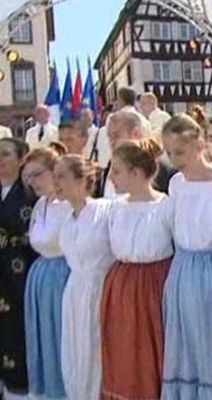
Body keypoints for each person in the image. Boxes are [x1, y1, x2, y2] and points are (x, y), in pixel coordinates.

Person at [160, 114, 212, 400]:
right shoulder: (176, 184)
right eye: (169, 153)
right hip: (184, 269)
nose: (174, 159)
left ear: (198, 144)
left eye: (180, 152)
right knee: (185, 341)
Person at [100, 139, 173, 400]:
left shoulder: (166, 206)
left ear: (136, 172)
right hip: (122, 285)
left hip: (154, 285)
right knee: (123, 348)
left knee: (152, 348)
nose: (111, 178)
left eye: (117, 171)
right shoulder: (115, 207)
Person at [56, 155, 115, 400]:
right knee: (76, 351)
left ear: (81, 180)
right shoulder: (68, 218)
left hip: (100, 290)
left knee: (97, 351)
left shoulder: (105, 211)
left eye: (62, 176)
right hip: (75, 291)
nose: (56, 182)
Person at [22, 147, 70, 400]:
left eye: (38, 174)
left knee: (63, 337)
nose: (33, 182)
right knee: (44, 337)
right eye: (28, 177)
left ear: (55, 171)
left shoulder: (67, 204)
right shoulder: (41, 204)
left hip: (63, 276)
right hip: (41, 278)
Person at [0, 138, 38, 400]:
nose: (0, 162)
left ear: (21, 159)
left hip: (19, 274)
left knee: (16, 331)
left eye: (5, 155)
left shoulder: (30, 194)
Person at [101, 110, 176, 198]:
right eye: (109, 137)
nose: (111, 142)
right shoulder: (109, 167)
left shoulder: (162, 170)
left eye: (116, 136)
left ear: (136, 133)